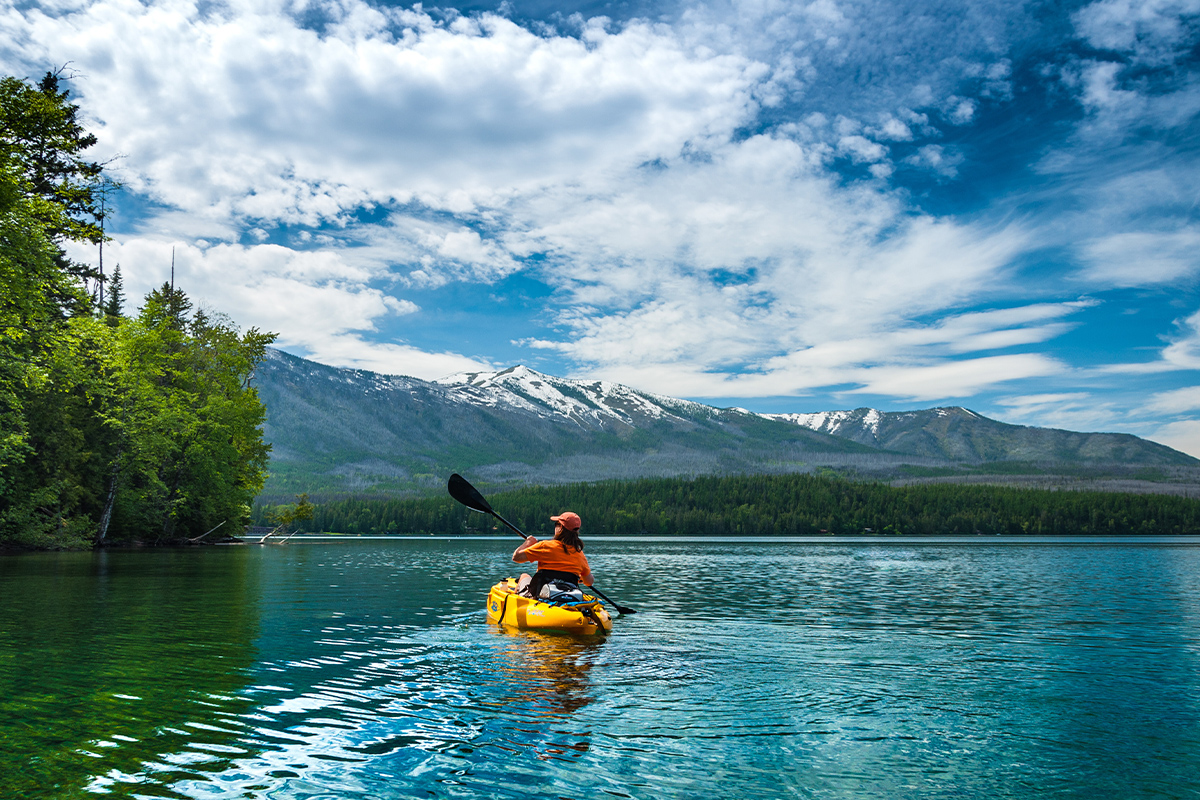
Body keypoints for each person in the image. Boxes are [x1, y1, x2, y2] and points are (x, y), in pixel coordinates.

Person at [513, 511, 594, 599]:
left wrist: (527, 543)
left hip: (540, 595)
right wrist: (580, 577)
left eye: (556, 524)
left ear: (560, 528)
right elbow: (589, 582)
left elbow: (516, 557)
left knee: (524, 576)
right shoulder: (579, 554)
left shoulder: (545, 546)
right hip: (566, 595)